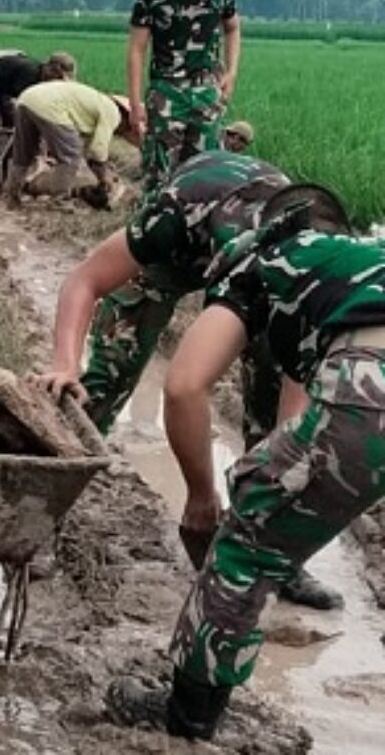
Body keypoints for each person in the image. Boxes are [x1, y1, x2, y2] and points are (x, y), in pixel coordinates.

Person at [107, 188, 379, 741]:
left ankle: (187, 718)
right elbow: (297, 422)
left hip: (370, 383)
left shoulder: (252, 262)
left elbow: (183, 386)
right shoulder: (350, 264)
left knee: (247, 545)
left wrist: (205, 498)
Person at [36, 150, 343, 610]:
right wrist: (64, 363)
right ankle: (40, 520)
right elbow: (86, 281)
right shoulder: (175, 214)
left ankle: (270, 555)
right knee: (98, 384)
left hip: (254, 260)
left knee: (273, 404)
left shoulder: (317, 264)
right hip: (175, 250)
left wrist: (275, 475)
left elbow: (293, 401)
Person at [127, 0, 241, 190]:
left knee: (207, 172)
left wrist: (231, 72)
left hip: (206, 93)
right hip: (166, 91)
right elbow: (137, 49)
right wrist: (134, 103)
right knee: (160, 173)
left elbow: (233, 28)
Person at [3, 81, 137, 206]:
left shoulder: (96, 104)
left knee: (24, 153)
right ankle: (60, 200)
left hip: (26, 99)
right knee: (70, 158)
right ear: (126, 118)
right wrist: (105, 178)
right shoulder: (113, 113)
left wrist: (100, 170)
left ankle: (12, 194)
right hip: (50, 107)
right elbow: (97, 152)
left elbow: (90, 150)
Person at [0, 50, 75, 128]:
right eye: (59, 77)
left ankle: (2, 158)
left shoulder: (41, 78)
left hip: (2, 89)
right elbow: (24, 103)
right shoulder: (29, 73)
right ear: (51, 69)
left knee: (10, 125)